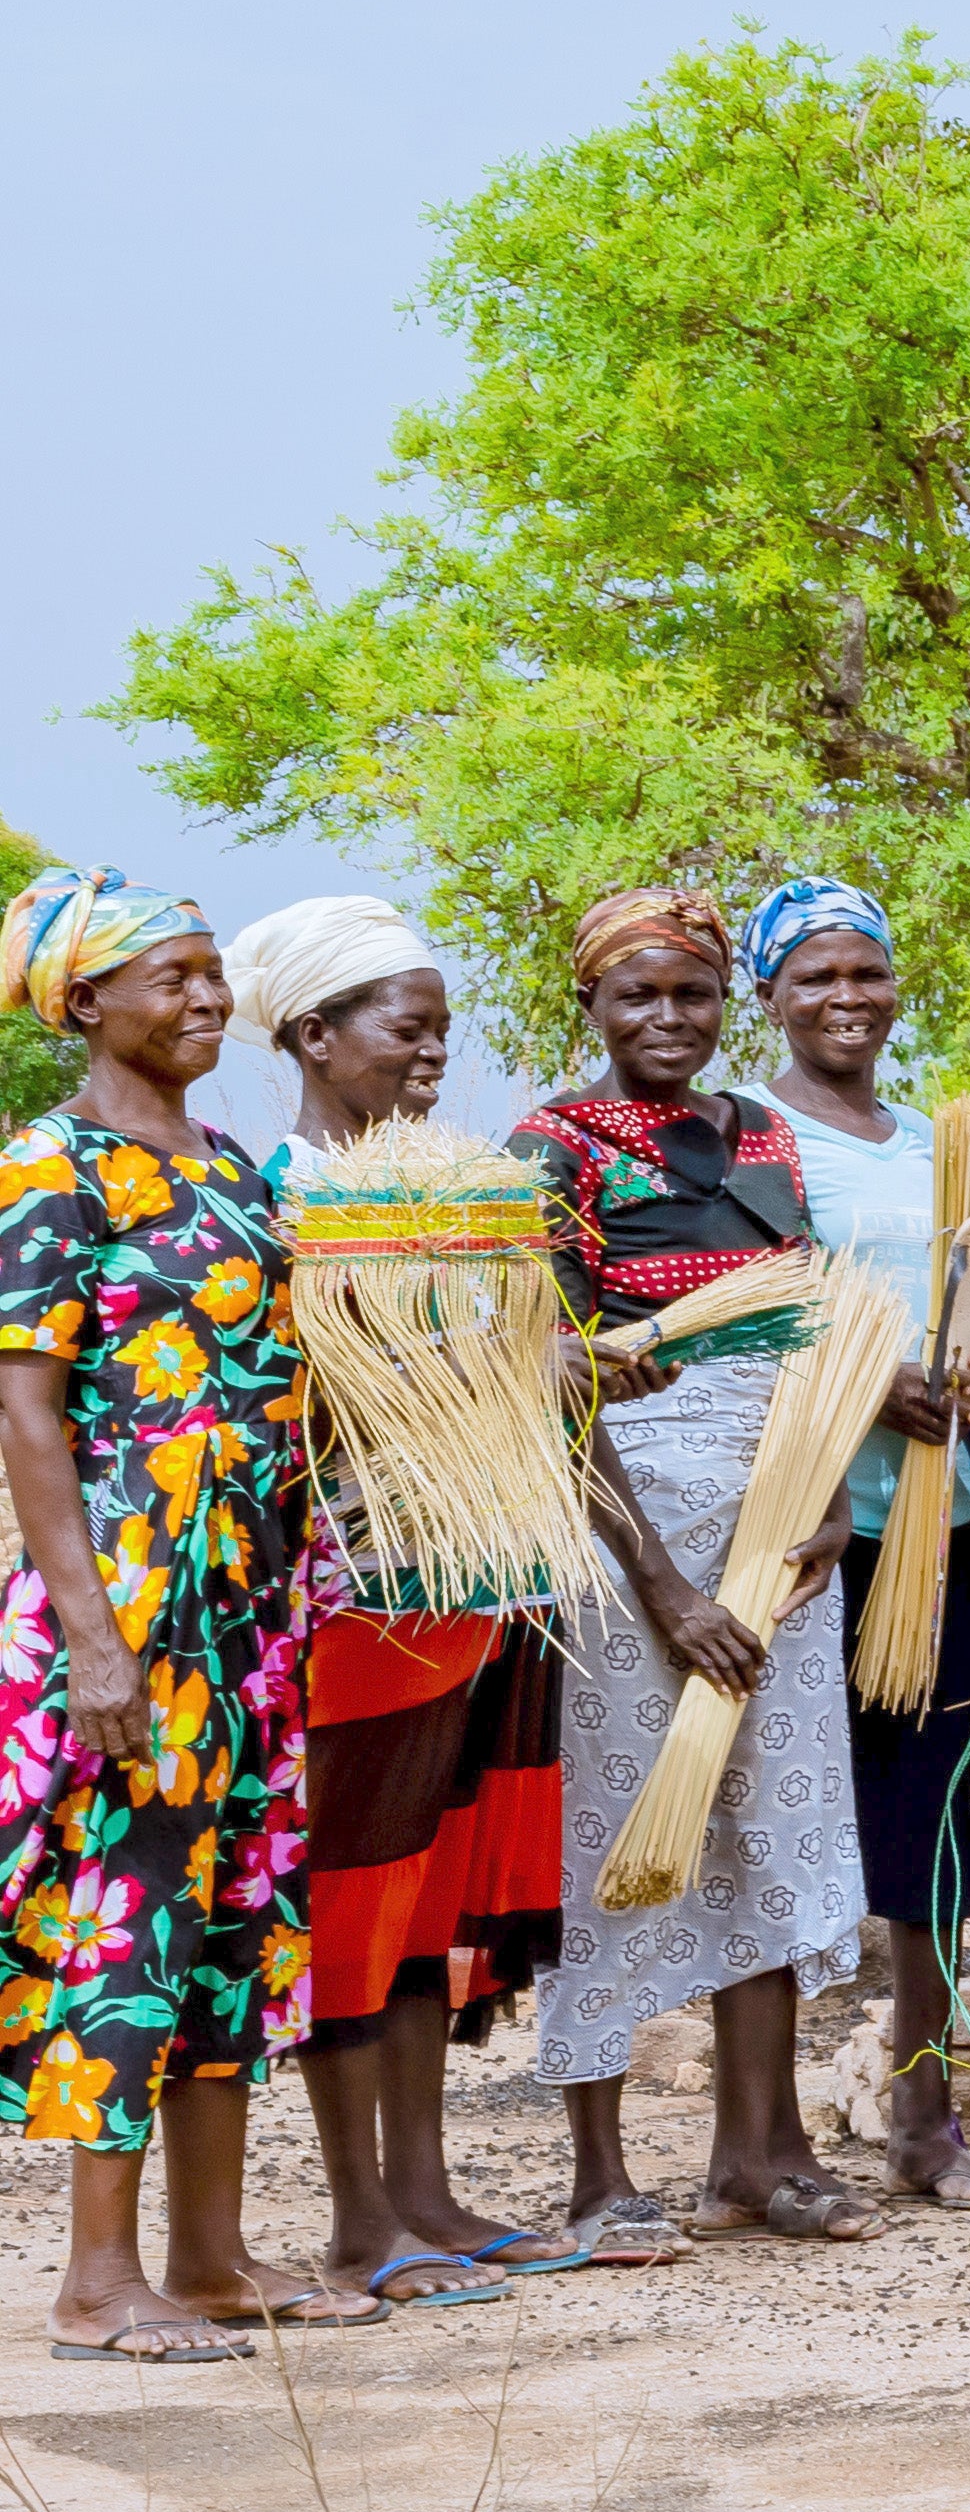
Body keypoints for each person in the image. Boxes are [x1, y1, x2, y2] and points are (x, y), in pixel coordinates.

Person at [5, 872, 347, 2361]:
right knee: (132, 1911)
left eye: (217, 975)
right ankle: (96, 2279)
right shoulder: (48, 1167)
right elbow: (23, 1409)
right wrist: (89, 1634)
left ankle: (209, 2257)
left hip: (250, 1601)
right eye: (176, 977)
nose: (210, 1000)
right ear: (85, 1003)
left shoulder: (232, 1168)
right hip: (135, 1606)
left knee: (236, 1914)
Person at [234, 899, 587, 2309]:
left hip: (479, 1581)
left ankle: (427, 2193)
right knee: (358, 1894)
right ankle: (358, 2221)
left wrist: (562, 1373)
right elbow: (282, 1408)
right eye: (405, 1022)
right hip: (358, 1593)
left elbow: (520, 1356)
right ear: (314, 1037)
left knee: (432, 1894)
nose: (433, 1047)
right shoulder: (277, 1195)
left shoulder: (457, 1187)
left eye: (442, 1022)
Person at [512, 888, 874, 2253]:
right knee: (620, 1828)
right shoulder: (552, 1145)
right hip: (632, 1530)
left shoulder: (758, 1132)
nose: (668, 1021)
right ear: (592, 1008)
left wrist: (828, 1489)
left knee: (773, 1825)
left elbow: (807, 1326)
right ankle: (601, 2178)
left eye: (692, 997)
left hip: (780, 1520)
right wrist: (660, 1581)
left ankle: (755, 2161)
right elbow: (553, 1386)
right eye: (637, 998)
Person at [738, 882, 970, 2209]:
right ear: (770, 999)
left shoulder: (938, 1148)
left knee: (936, 1834)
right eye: (815, 976)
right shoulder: (753, 1141)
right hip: (809, 1530)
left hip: (941, 1521)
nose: (847, 996)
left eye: (868, 972)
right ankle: (766, 2142)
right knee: (791, 1820)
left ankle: (924, 2122)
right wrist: (861, 1387)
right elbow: (742, 1316)